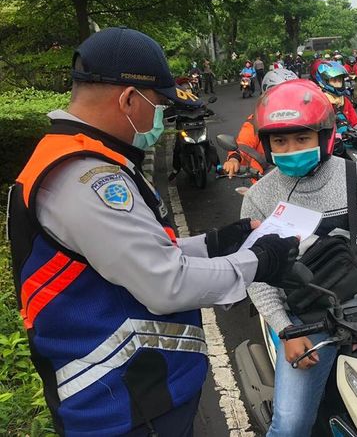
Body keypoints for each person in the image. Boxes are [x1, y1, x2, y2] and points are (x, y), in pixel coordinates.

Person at [6, 27, 300, 436]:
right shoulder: (85, 177)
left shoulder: (85, 159)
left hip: (142, 391)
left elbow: (137, 254)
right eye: (159, 104)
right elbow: (166, 282)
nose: (160, 117)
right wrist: (258, 261)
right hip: (119, 402)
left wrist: (215, 243)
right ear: (128, 99)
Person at [241, 80, 357, 437]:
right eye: (280, 141)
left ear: (324, 137)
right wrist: (286, 332)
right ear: (267, 145)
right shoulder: (260, 198)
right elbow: (257, 276)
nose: (291, 148)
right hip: (303, 318)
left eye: (301, 139)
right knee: (291, 425)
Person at [222, 69, 299, 179]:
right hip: (265, 180)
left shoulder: (306, 116)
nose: (288, 99)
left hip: (302, 177)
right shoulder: (257, 120)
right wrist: (234, 159)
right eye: (282, 95)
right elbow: (244, 143)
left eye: (293, 94)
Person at [315, 61, 357, 127]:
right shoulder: (319, 102)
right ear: (324, 81)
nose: (338, 84)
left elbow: (355, 122)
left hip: (348, 135)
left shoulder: (344, 100)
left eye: (340, 80)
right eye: (334, 80)